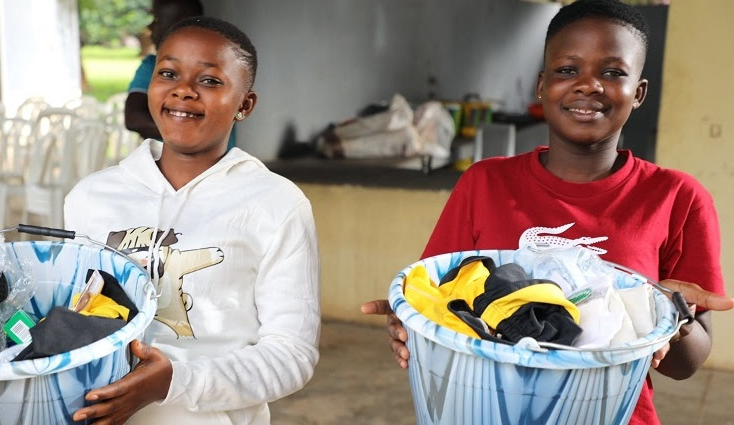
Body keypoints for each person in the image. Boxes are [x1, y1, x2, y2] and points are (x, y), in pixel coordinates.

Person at [361, 1, 734, 425]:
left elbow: (686, 365)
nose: (588, 85)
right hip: (484, 413)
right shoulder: (484, 183)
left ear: (639, 92)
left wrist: (671, 315)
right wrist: (410, 319)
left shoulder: (678, 197)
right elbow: (438, 298)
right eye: (567, 69)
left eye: (613, 72)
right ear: (542, 85)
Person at [67, 16, 320, 424]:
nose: (183, 89)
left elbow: (292, 355)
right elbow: (71, 318)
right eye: (168, 73)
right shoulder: (91, 197)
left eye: (210, 80)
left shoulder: (276, 204)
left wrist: (174, 382)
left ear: (244, 105)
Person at [125, 0, 203, 141]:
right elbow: (134, 118)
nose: (150, 26)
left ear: (182, 24)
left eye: (157, 19)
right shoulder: (151, 65)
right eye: (167, 75)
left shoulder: (220, 67)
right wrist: (191, 134)